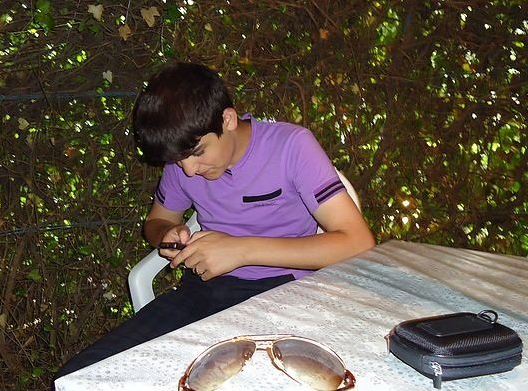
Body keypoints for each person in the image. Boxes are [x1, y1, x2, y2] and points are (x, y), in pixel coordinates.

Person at [54, 61, 375, 380]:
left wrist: (241, 250)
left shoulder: (291, 147)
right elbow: (156, 221)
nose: (189, 170)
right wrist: (168, 233)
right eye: (177, 160)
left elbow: (357, 242)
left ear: (228, 119)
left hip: (284, 293)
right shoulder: (182, 162)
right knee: (83, 375)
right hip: (203, 290)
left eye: (197, 152)